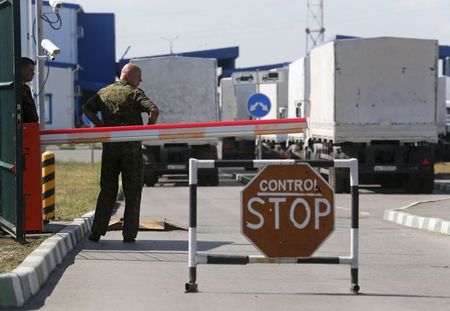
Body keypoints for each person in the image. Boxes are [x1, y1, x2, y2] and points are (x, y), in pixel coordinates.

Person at [83, 63, 159, 243]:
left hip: (110, 148)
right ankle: (129, 235)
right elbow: (153, 110)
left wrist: (100, 126)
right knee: (132, 192)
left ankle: (96, 232)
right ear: (130, 76)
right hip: (131, 150)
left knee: (107, 190)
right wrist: (148, 130)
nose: (140, 80)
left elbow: (87, 108)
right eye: (139, 77)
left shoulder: (104, 92)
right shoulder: (134, 93)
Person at [21, 57, 39, 123]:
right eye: (30, 70)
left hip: (30, 129)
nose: (33, 73)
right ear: (22, 69)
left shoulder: (26, 88)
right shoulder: (15, 88)